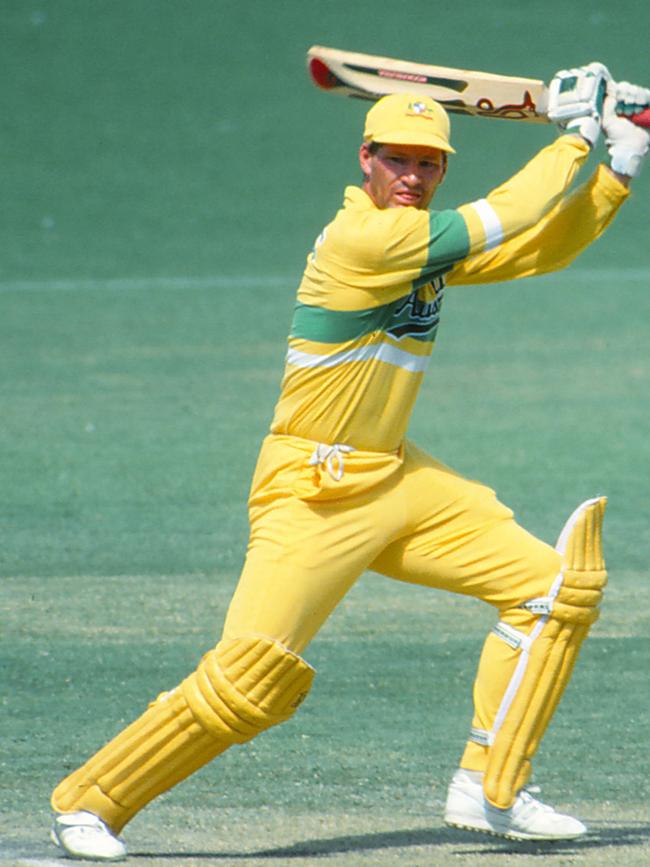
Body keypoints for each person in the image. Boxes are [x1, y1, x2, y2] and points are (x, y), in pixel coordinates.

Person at [50, 64, 649, 861]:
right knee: (251, 679)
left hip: (392, 475)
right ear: (364, 160)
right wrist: (574, 133)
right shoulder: (364, 239)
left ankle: (490, 788)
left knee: (553, 590)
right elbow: (508, 213)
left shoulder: (421, 245)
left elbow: (543, 246)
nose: (411, 175)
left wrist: (619, 159)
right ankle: (89, 801)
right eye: (397, 159)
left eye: (428, 162)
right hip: (311, 488)